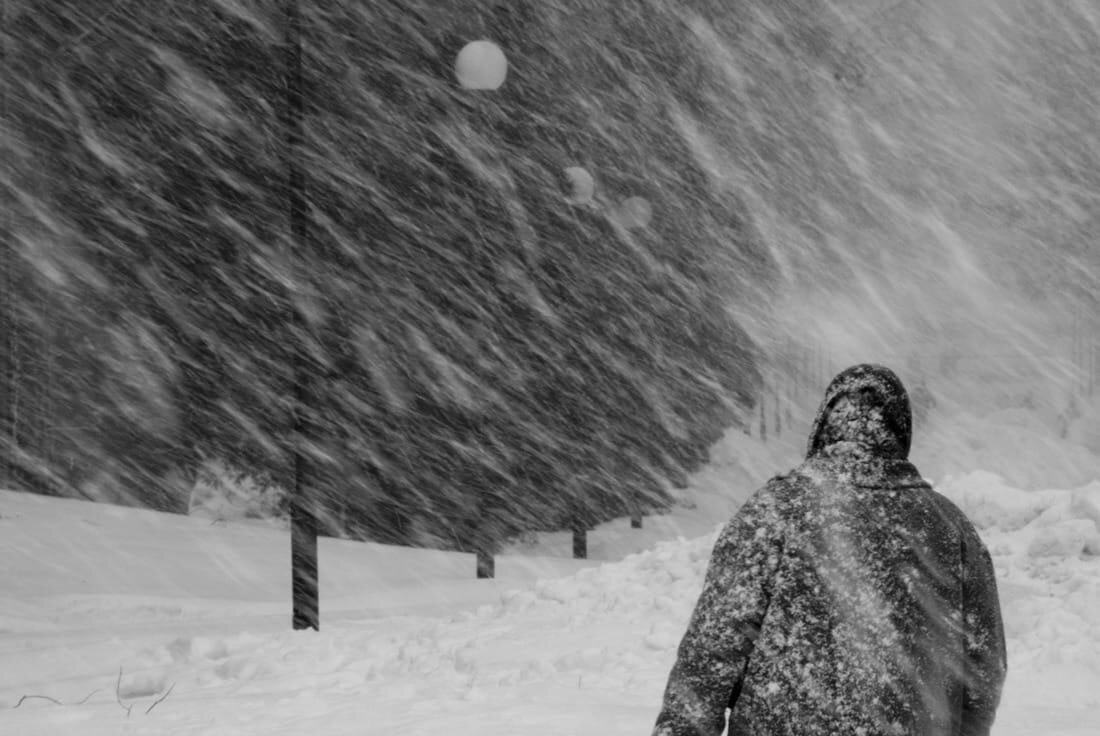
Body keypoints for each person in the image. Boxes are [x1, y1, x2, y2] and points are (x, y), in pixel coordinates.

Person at [651, 364, 1006, 736]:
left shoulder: (776, 511)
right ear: (900, 435)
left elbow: (711, 653)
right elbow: (982, 667)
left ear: (823, 428)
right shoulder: (950, 526)